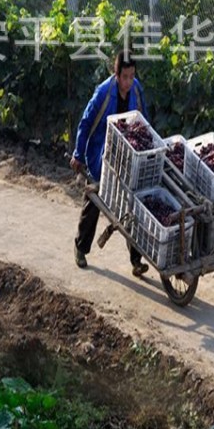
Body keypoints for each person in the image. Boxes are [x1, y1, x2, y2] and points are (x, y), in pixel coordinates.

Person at [70, 50, 149, 277]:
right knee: (95, 199)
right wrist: (78, 154)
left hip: (126, 154)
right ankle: (80, 247)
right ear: (116, 75)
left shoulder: (136, 90)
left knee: (133, 202)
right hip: (100, 153)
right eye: (125, 77)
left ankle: (136, 260)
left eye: (132, 76)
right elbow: (85, 124)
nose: (128, 81)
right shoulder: (103, 93)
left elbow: (144, 123)